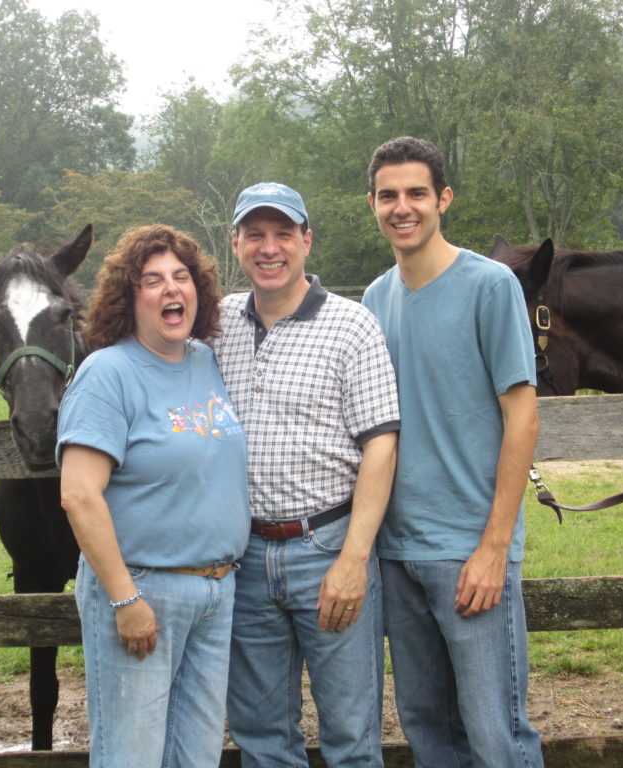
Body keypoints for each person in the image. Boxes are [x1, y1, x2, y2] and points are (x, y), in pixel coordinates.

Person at [361, 136, 544, 768]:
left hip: (469, 551)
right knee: (427, 728)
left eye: (416, 193)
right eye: (389, 195)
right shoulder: (374, 300)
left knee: (496, 733)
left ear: (443, 199)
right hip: (396, 552)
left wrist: (495, 547)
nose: (402, 207)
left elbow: (522, 415)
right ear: (373, 203)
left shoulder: (490, 286)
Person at [214, 182, 400, 767]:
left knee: (350, 733)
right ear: (236, 243)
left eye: (283, 234)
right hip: (242, 556)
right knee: (261, 734)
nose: (270, 249)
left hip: (327, 547)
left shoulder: (352, 325)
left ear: (306, 241)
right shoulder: (215, 325)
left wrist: (353, 558)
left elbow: (381, 446)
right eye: (256, 235)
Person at [56, 224, 250, 768]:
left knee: (197, 757)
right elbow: (79, 495)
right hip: (143, 594)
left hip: (215, 594)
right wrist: (123, 599)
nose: (171, 290)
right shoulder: (107, 373)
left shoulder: (205, 362)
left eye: (182, 278)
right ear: (129, 296)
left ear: (199, 290)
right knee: (131, 757)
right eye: (153, 280)